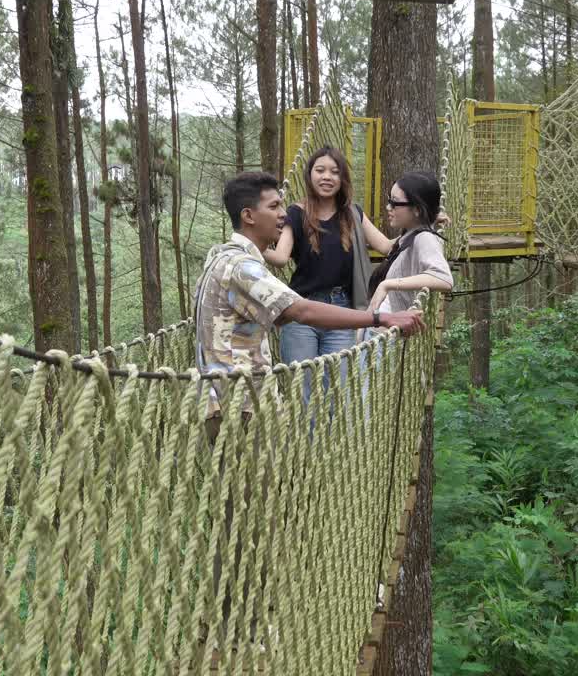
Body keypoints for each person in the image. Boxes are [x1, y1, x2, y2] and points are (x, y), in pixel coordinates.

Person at [191, 170, 423, 651]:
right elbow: (300, 311)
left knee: (242, 514)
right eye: (275, 207)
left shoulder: (226, 256)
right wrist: (380, 318)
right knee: (248, 520)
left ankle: (229, 621)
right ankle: (242, 632)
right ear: (248, 216)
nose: (284, 214)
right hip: (240, 411)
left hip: (234, 406)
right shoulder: (242, 266)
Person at [263, 147, 399, 371]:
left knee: (338, 388)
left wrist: (424, 226)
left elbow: (386, 246)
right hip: (301, 310)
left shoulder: (352, 214)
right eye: (320, 170)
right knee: (302, 388)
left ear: (342, 178)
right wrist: (248, 245)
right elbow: (280, 257)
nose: (327, 176)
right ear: (309, 175)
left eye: (334, 172)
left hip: (341, 311)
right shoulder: (296, 213)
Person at [365, 171, 454, 318]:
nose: (388, 207)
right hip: (379, 330)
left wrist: (387, 284)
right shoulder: (411, 235)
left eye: (394, 202)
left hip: (389, 333)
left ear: (417, 209)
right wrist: (430, 218)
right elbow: (392, 245)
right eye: (389, 200)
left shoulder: (424, 238)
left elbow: (444, 278)